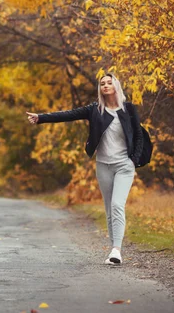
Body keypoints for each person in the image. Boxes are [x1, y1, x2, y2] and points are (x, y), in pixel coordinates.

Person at [26, 73, 143, 265]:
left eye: (109, 82)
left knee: (117, 205)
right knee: (108, 208)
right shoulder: (95, 110)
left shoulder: (128, 109)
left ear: (116, 86)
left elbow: (139, 135)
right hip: (103, 165)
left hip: (124, 165)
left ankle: (117, 250)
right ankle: (113, 248)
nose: (105, 86)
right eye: (102, 83)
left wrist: (133, 161)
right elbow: (68, 114)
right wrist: (41, 118)